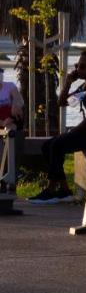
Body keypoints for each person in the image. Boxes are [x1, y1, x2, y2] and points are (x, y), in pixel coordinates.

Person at [28, 51, 86, 205]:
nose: (78, 69)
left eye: (82, 66)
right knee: (46, 146)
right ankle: (63, 189)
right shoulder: (85, 86)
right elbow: (62, 102)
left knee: (57, 145)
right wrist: (69, 81)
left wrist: (73, 131)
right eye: (77, 65)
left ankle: (52, 189)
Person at [0, 63, 25, 195]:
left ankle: (10, 181)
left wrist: (15, 105)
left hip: (11, 124)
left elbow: (19, 101)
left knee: (14, 137)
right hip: (3, 124)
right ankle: (4, 182)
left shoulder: (10, 86)